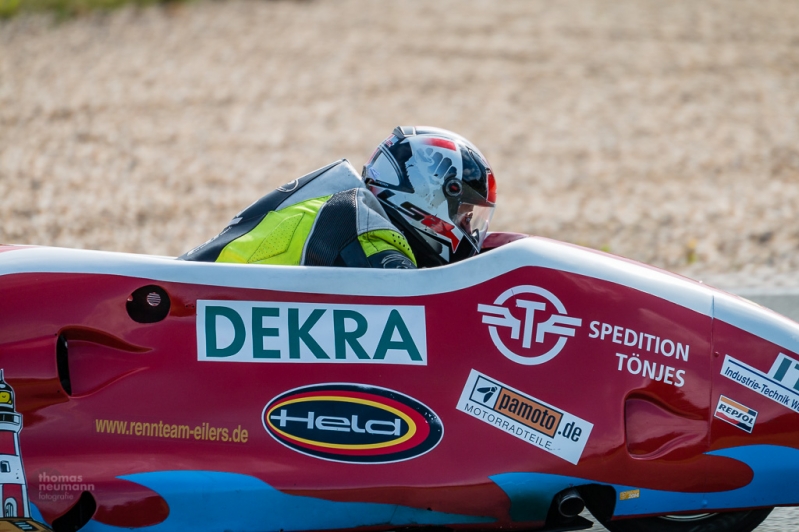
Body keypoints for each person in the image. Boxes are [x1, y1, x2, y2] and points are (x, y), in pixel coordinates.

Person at [179, 126, 497, 269]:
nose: (468, 227)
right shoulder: (370, 232)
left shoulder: (347, 208)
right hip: (190, 319)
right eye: (464, 213)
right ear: (428, 197)